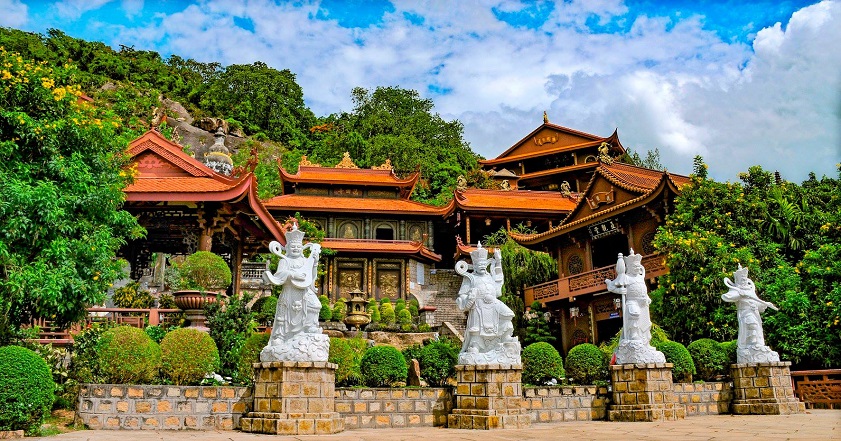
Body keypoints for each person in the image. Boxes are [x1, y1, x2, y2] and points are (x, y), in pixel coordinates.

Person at [261, 223, 327, 362]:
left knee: (315, 305)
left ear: (302, 248)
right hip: (290, 291)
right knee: (284, 315)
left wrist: (314, 263)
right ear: (288, 248)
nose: (296, 249)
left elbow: (311, 276)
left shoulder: (305, 260)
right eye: (293, 247)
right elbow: (279, 275)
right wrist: (292, 275)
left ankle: (309, 327)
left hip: (304, 292)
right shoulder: (284, 261)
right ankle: (281, 337)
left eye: (298, 246)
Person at [455, 242, 519, 364]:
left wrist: (498, 262)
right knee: (476, 326)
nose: (482, 266)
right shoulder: (470, 278)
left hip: (493, 304)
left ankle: (505, 337)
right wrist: (470, 298)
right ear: (474, 265)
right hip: (478, 306)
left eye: (484, 264)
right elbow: (462, 296)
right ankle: (475, 346)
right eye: (479, 264)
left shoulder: (489, 276)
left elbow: (498, 284)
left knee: (508, 315)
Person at [721, 264, 779, 363]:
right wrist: (739, 294)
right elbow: (726, 297)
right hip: (745, 313)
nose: (744, 280)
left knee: (757, 328)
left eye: (745, 279)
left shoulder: (750, 290)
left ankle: (757, 345)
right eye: (742, 279)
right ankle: (751, 345)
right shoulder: (736, 290)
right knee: (752, 325)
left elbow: (757, 304)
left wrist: (764, 304)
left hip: (754, 313)